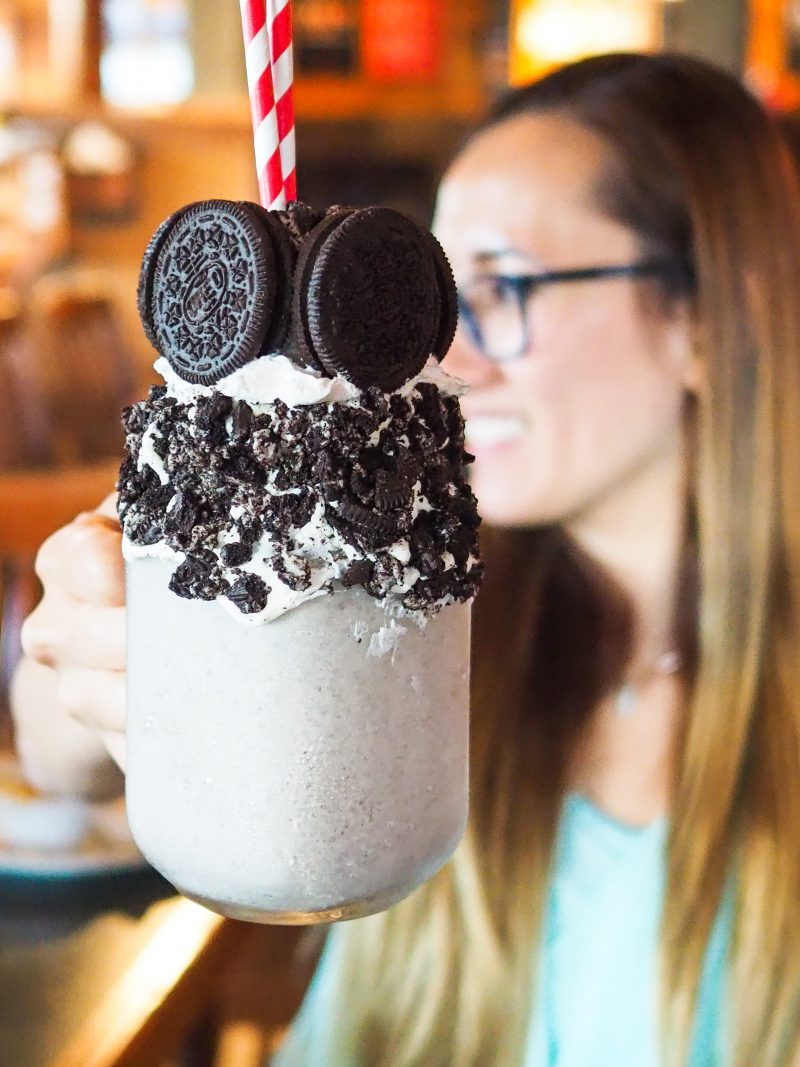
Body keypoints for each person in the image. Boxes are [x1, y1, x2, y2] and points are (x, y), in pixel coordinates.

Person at [12, 52, 800, 1067]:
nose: (439, 362)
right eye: (430, 302)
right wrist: (81, 679)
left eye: (502, 287)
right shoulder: (395, 597)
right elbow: (59, 746)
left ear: (709, 312)